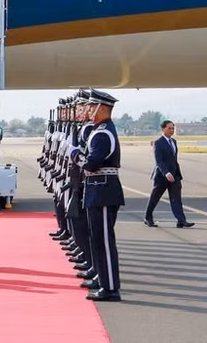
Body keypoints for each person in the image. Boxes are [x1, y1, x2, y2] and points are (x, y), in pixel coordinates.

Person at [73, 89, 124, 302]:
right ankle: (103, 280)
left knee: (103, 241)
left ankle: (110, 287)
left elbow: (92, 164)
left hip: (103, 190)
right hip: (97, 190)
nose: (88, 110)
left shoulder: (103, 133)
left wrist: (76, 155)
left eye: (92, 107)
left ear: (103, 109)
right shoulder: (98, 130)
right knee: (97, 240)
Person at [144, 120, 195, 229]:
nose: (172, 130)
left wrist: (175, 173)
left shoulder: (174, 142)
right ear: (163, 129)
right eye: (169, 128)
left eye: (173, 128)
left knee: (176, 198)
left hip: (175, 175)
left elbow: (173, 159)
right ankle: (148, 217)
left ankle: (181, 220)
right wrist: (166, 173)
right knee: (155, 198)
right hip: (162, 176)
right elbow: (159, 160)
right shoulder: (158, 142)